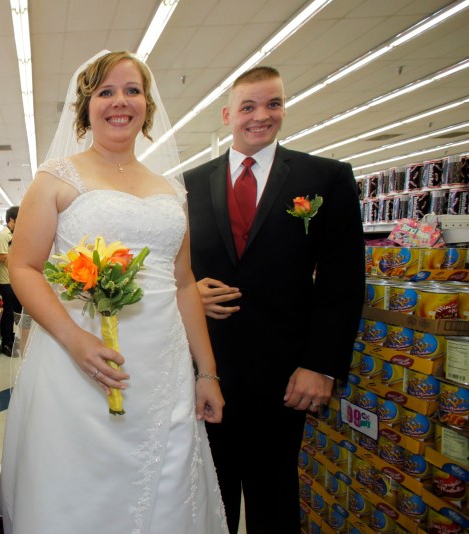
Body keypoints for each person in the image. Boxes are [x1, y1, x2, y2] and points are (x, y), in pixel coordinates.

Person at [0, 50, 228, 533]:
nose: (120, 101)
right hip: (76, 356)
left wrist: (207, 372)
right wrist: (75, 340)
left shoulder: (171, 189)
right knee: (80, 485)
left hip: (161, 368)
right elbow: (23, 266)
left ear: (147, 104)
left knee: (163, 484)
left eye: (132, 90)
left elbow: (183, 282)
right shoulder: (57, 178)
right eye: (106, 91)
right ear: (86, 107)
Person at [184, 66, 364, 532]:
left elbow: (343, 283)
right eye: (248, 106)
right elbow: (168, 268)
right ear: (228, 114)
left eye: (273, 104)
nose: (261, 116)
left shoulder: (325, 177)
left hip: (286, 374)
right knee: (208, 492)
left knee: (275, 493)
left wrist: (321, 365)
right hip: (206, 367)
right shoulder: (187, 185)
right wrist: (186, 295)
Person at [0, 206, 21, 356]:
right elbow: (2, 256)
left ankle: (11, 337)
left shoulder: (14, 234)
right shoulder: (3, 235)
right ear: (12, 219)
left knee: (12, 311)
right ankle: (6, 342)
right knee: (8, 312)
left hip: (13, 279)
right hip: (5, 281)